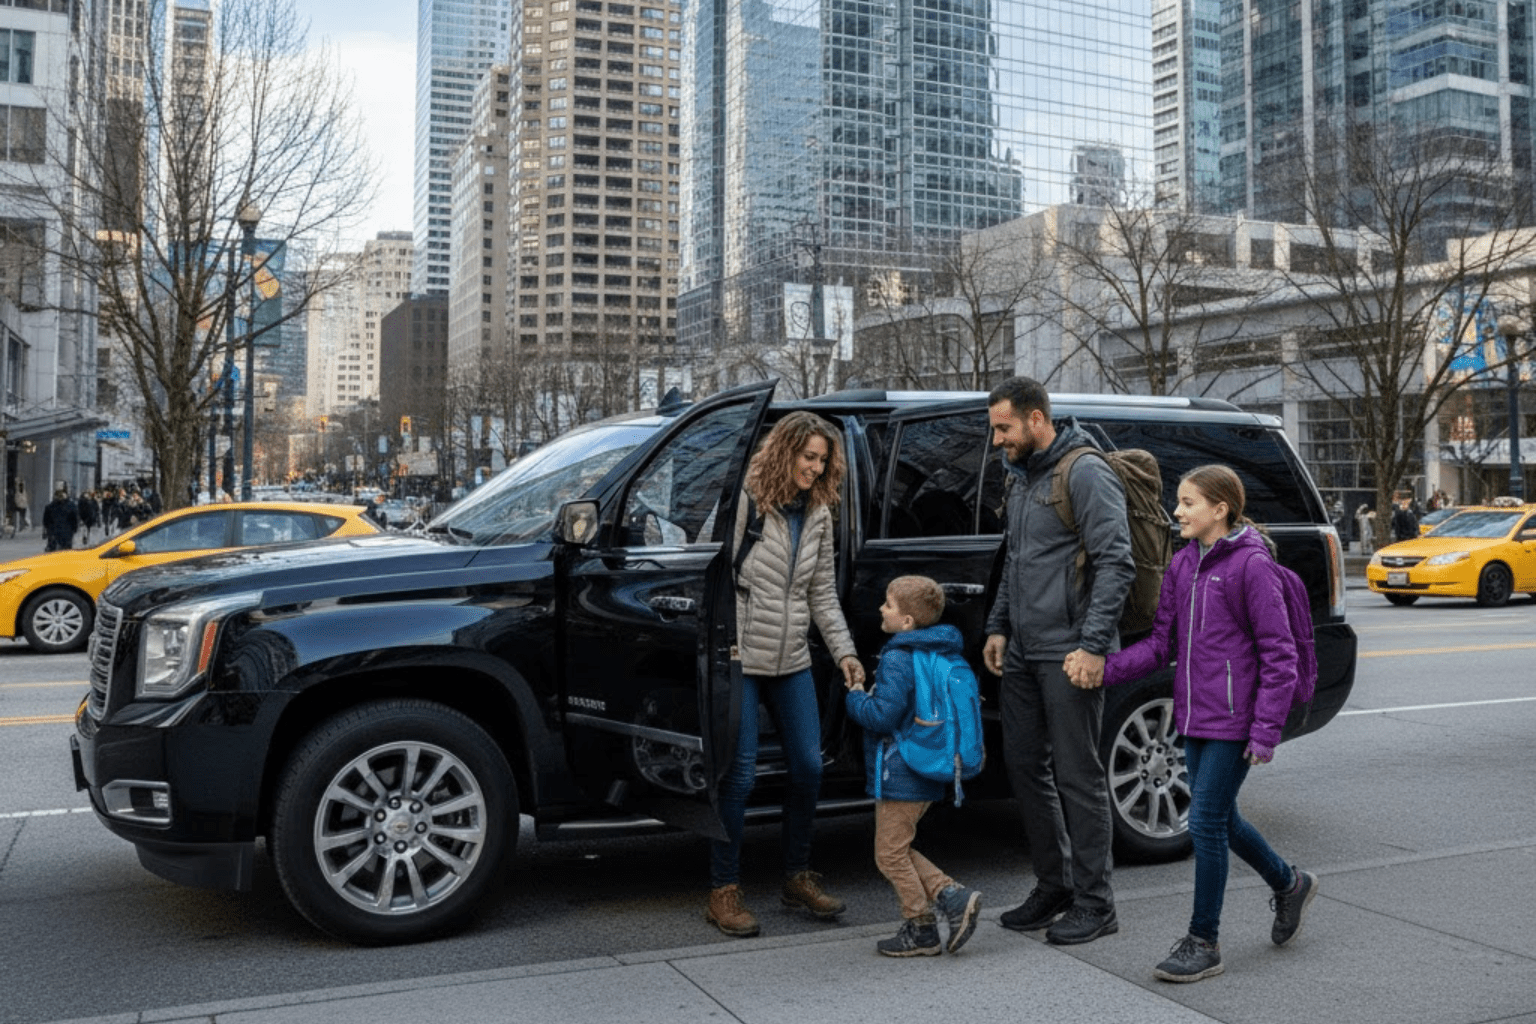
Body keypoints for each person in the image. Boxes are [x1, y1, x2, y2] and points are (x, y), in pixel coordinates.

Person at [1090, 464, 1318, 983]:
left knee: (1205, 823)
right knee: (1224, 819)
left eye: (1188, 502)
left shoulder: (1251, 567)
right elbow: (1160, 645)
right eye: (1179, 501)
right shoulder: (1182, 565)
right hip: (1192, 715)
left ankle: (1203, 940)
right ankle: (1289, 884)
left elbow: (1279, 655)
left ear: (1220, 509)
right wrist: (1105, 669)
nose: (1177, 511)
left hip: (1235, 721)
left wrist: (1264, 731)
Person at [983, 376, 1134, 946]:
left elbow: (1117, 563)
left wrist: (1093, 645)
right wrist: (999, 626)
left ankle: (1098, 904)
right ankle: (1056, 885)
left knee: (1079, 777)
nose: (997, 439)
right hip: (1023, 650)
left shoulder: (1085, 471)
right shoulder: (1019, 476)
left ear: (1037, 420)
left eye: (1004, 428)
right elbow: (1016, 558)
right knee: (1025, 768)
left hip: (1070, 651)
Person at [706, 410, 866, 939]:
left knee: (809, 766)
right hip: (742, 656)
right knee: (741, 773)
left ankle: (796, 876)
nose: (816, 470)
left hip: (791, 656)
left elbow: (821, 590)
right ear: (786, 451)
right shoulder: (746, 499)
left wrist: (844, 651)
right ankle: (723, 890)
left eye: (823, 461)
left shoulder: (818, 511)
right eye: (808, 458)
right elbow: (711, 573)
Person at [844, 575, 983, 957]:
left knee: (888, 854)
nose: (881, 610)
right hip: (930, 764)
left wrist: (854, 699)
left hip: (901, 768)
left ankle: (923, 923)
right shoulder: (942, 651)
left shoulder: (898, 657)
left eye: (888, 604)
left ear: (906, 622)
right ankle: (950, 898)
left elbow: (883, 717)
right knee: (898, 847)